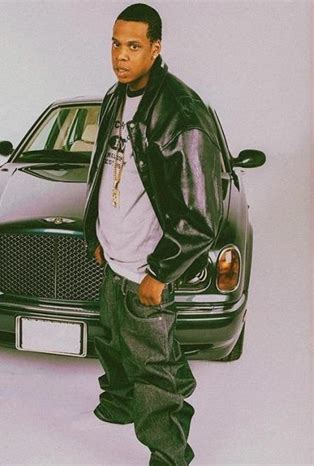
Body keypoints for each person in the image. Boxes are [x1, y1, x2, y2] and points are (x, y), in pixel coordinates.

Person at [82, 3, 224, 465]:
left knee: (152, 369)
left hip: (146, 264)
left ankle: (169, 454)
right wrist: (98, 235)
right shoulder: (116, 96)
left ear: (156, 48)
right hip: (114, 255)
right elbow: (107, 172)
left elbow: (200, 212)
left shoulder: (180, 112)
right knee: (112, 340)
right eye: (115, 44)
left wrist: (161, 272)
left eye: (133, 46)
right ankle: (121, 402)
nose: (120, 56)